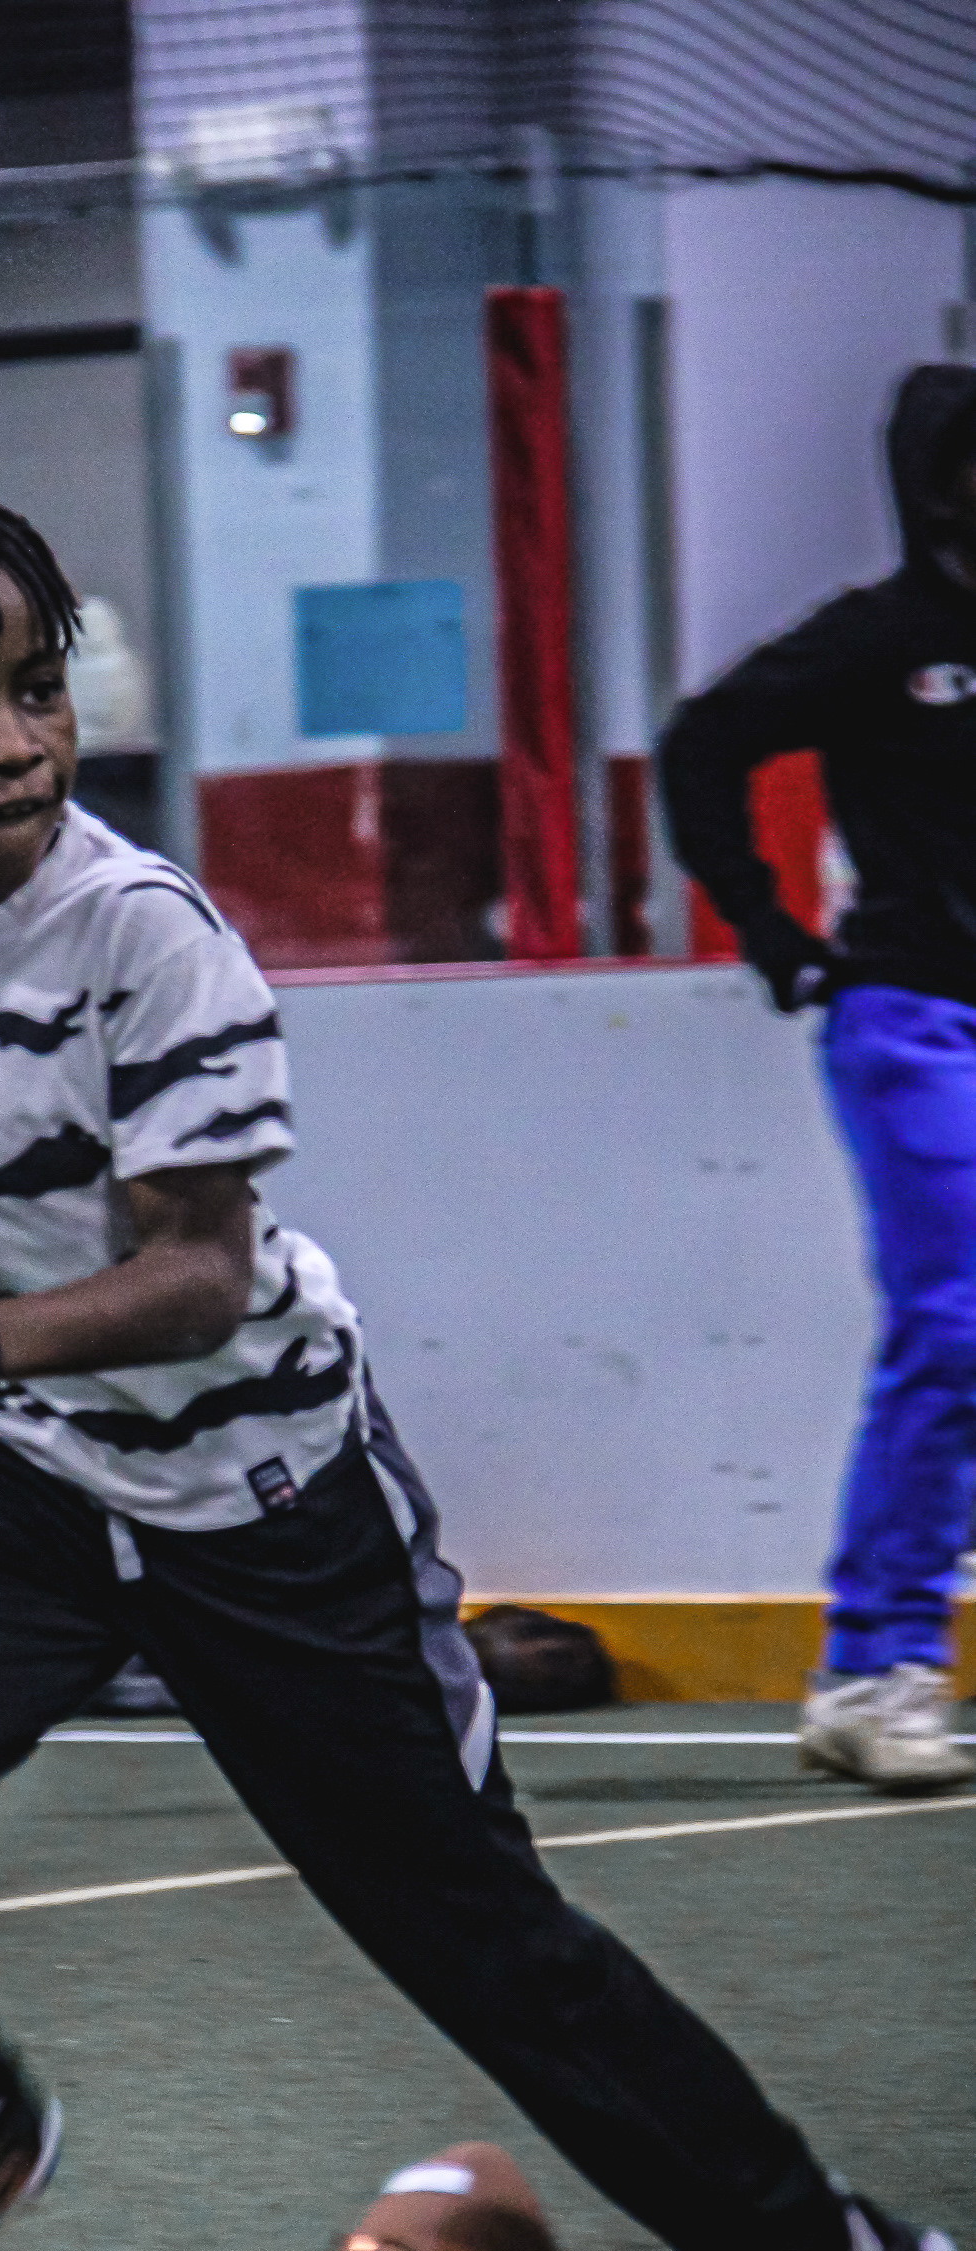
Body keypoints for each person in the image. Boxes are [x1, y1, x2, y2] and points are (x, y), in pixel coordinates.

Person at [0, 482, 962, 2251]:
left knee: (491, 1956)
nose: (17, 744)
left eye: (38, 688)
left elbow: (198, 1274)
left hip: (267, 1495)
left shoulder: (148, 937)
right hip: (23, 1475)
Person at [661, 365, 976, 1798]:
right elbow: (700, 746)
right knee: (955, 1327)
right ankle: (873, 1669)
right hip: (915, 1019)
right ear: (936, 484)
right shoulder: (877, 640)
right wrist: (769, 929)